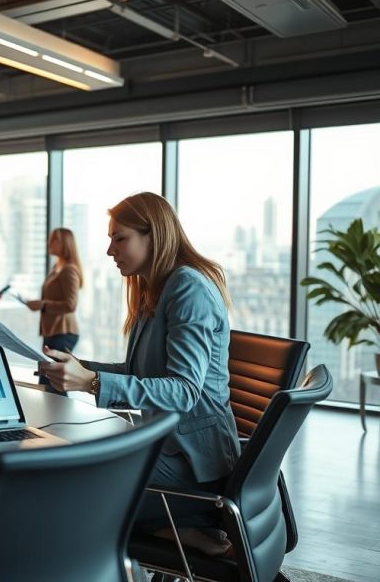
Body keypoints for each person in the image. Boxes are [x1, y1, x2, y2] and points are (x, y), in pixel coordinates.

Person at [39, 192, 239, 555]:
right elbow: (137, 372)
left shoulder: (187, 287)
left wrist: (92, 382)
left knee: (71, 491)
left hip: (195, 466)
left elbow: (183, 391)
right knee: (73, 475)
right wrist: (82, 368)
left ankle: (176, 525)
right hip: (169, 448)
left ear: (154, 235)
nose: (109, 250)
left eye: (120, 238)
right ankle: (168, 528)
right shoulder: (156, 289)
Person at [26, 228, 83, 389]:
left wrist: (43, 304)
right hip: (53, 331)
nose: (48, 243)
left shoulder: (69, 270)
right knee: (49, 381)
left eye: (53, 240)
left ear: (65, 244)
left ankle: (61, 413)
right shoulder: (56, 267)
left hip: (63, 332)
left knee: (53, 383)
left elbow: (71, 305)